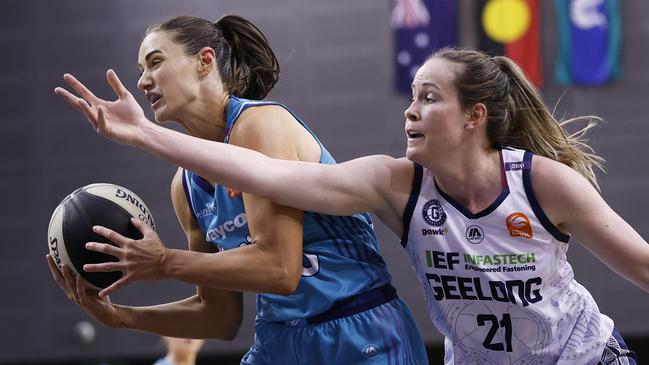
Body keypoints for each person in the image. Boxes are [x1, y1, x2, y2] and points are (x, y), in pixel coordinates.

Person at [63, 46, 649, 364]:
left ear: (475, 117)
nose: (410, 110)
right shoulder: (393, 183)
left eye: (429, 98)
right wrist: (142, 135)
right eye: (410, 97)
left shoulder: (543, 183)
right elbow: (261, 171)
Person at [49, 14, 430, 365]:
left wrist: (164, 262)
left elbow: (281, 269)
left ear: (204, 61)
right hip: (280, 340)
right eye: (141, 69)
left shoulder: (259, 124)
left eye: (155, 62)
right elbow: (219, 316)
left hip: (358, 328)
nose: (142, 80)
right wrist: (120, 318)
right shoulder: (185, 186)